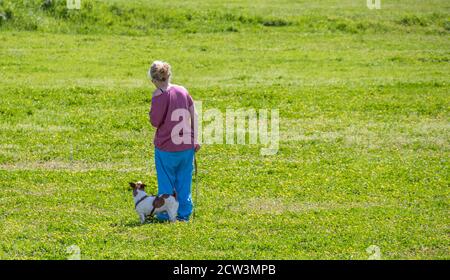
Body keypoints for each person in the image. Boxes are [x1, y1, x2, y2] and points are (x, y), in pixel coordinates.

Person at [148, 60, 200, 222]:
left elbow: (155, 122)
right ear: (169, 75)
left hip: (166, 147)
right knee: (184, 181)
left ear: (154, 80)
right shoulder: (182, 90)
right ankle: (184, 214)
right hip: (186, 145)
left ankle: (166, 213)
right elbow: (195, 114)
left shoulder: (158, 95)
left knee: (166, 181)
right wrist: (196, 139)